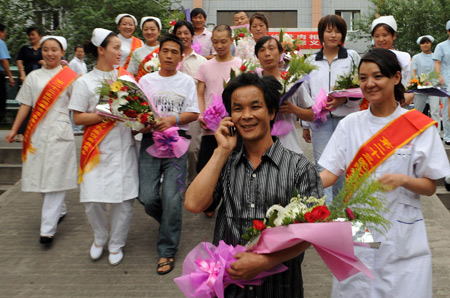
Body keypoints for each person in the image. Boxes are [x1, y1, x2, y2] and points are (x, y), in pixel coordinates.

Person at [319, 48, 450, 298]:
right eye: (363, 78)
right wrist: (295, 189)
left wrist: (403, 180)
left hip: (402, 229)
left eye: (377, 76)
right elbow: (329, 174)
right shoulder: (350, 125)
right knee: (357, 287)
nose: (370, 84)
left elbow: (430, 186)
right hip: (358, 227)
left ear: (396, 77)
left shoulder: (417, 126)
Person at [185, 72, 323, 298]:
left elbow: (312, 233)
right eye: (238, 109)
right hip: (229, 285)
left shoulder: (300, 168)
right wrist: (221, 151)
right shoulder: (225, 163)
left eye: (255, 107)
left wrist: (264, 261)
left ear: (271, 112)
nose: (246, 116)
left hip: (279, 287)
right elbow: (193, 203)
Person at [69, 28, 138, 266]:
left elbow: (137, 115)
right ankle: (100, 238)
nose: (121, 52)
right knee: (92, 200)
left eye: (121, 47)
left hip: (123, 148)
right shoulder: (84, 82)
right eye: (116, 47)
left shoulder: (127, 80)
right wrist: (107, 114)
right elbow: (78, 118)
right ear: (101, 50)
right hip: (95, 151)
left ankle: (117, 243)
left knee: (123, 201)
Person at [5, 35, 77, 247]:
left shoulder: (70, 77)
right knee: (42, 176)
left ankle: (47, 230)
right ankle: (60, 210)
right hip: (37, 131)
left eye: (54, 49)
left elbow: (81, 104)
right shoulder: (34, 77)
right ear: (41, 52)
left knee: (55, 177)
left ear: (62, 52)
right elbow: (26, 105)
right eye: (46, 49)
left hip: (60, 131)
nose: (50, 53)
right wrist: (15, 129)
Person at [138, 35, 199, 275]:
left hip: (177, 145)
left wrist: (172, 119)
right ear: (159, 54)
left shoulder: (186, 81)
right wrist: (143, 123)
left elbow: (193, 113)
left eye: (175, 52)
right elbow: (138, 113)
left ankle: (167, 250)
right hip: (149, 142)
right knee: (146, 196)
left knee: (173, 199)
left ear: (181, 56)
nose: (170, 56)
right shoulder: (146, 80)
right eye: (166, 51)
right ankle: (168, 222)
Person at [302, 14, 360, 204]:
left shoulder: (351, 57)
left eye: (337, 31)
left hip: (347, 119)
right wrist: (305, 123)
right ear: (321, 34)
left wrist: (342, 101)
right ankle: (325, 212)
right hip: (320, 122)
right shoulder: (311, 61)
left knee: (343, 165)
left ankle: (342, 208)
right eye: (329, 31)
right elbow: (305, 93)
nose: (333, 35)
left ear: (342, 34)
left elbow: (360, 88)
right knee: (322, 165)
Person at [256, 36, 314, 154]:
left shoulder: (292, 81)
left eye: (271, 48)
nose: (267, 53)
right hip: (258, 150)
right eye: (262, 50)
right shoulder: (252, 82)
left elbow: (312, 115)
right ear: (257, 56)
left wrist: (293, 109)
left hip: (289, 149)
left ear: (281, 53)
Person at [195, 25, 242, 174]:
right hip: (210, 129)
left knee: (234, 173)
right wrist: (201, 115)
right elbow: (200, 94)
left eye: (223, 41)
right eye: (215, 42)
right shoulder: (205, 66)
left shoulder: (240, 65)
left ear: (231, 41)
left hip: (234, 128)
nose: (219, 46)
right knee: (206, 171)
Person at [173, 20, 207, 184]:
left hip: (192, 113)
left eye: (186, 33)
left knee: (193, 150)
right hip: (171, 112)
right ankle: (174, 184)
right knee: (172, 149)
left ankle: (192, 182)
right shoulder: (169, 59)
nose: (183, 36)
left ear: (192, 36)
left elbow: (204, 90)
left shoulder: (201, 62)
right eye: (179, 33)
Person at [371, 15, 414, 106]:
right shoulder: (369, 59)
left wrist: (410, 95)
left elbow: (410, 82)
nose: (381, 39)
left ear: (394, 36)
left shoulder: (404, 58)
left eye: (385, 35)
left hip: (399, 103)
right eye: (377, 36)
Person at [412, 35, 441, 131]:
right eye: (423, 43)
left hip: (434, 87)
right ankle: (416, 131)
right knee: (417, 111)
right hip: (420, 87)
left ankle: (436, 133)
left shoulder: (436, 57)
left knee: (435, 111)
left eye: (427, 42)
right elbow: (414, 73)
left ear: (431, 44)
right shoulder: (416, 57)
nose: (425, 45)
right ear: (420, 45)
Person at [128, 16, 161, 81]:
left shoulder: (165, 50)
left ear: (159, 31)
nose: (149, 32)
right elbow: (131, 74)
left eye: (152, 29)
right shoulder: (137, 52)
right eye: (145, 29)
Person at [434, 20, 450, 146]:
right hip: (446, 80)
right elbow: (437, 63)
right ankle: (448, 136)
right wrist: (439, 76)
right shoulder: (441, 46)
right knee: (446, 110)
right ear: (447, 31)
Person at [68, 45, 87, 134]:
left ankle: (79, 128)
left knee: (81, 107)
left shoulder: (83, 63)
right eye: (78, 51)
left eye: (82, 51)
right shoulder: (73, 63)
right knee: (75, 107)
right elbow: (70, 76)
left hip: (83, 88)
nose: (80, 53)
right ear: (75, 52)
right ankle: (74, 129)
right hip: (75, 87)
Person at [0, 23, 15, 123]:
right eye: (4, 33)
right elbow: (4, 60)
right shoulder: (0, 43)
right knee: (1, 102)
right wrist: (10, 76)